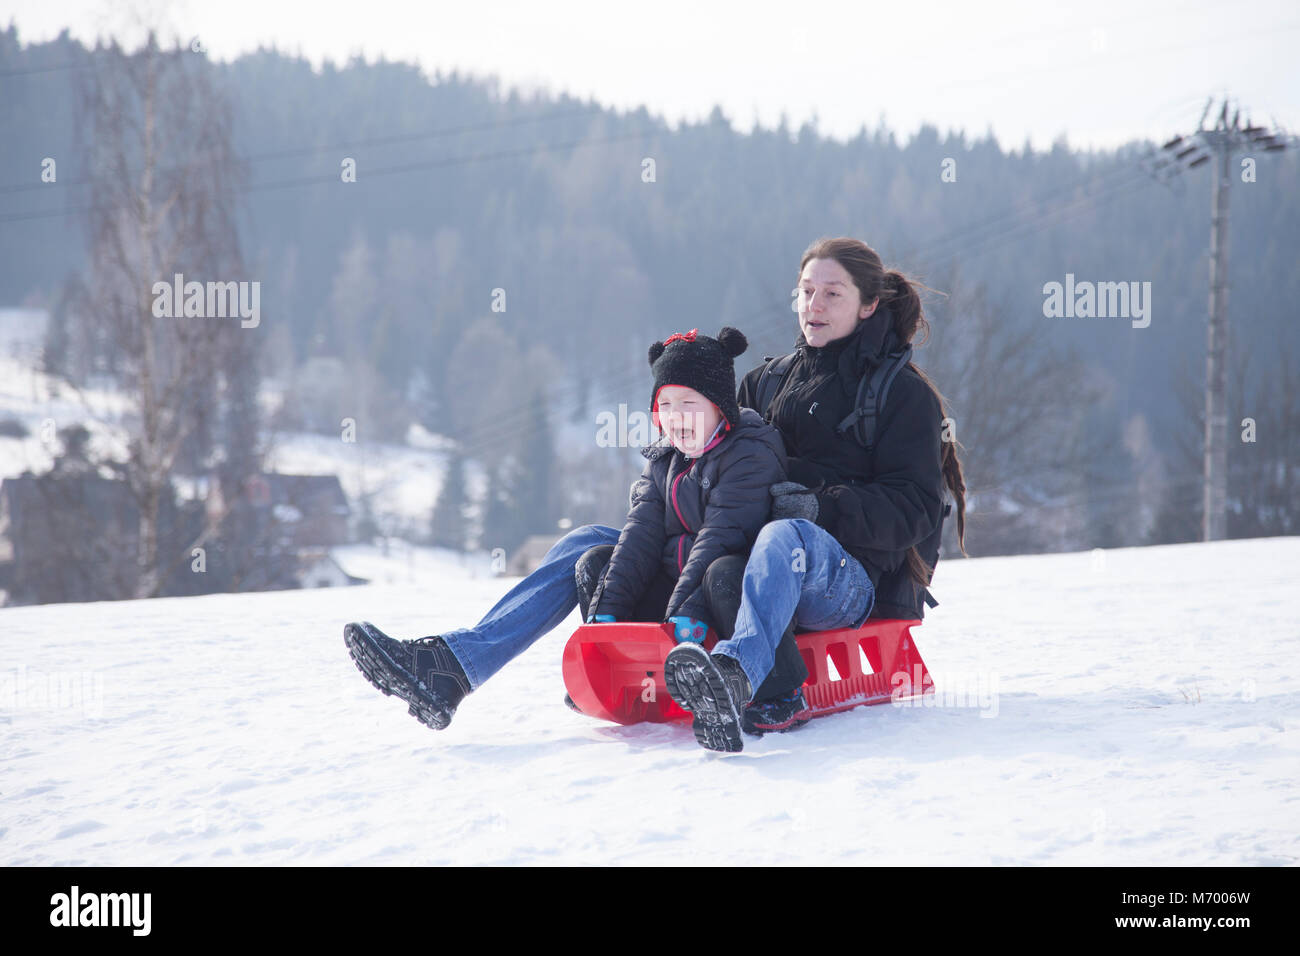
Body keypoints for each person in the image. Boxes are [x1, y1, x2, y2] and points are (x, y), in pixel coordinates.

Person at [343, 326, 793, 738]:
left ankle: (454, 667)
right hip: (676, 583)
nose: (677, 418)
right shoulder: (665, 459)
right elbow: (640, 534)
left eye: (691, 404)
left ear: (721, 406)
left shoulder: (747, 451)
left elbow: (722, 537)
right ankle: (454, 665)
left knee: (676, 557)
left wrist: (676, 620)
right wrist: (604, 620)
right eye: (666, 407)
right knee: (584, 545)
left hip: (716, 596)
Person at [661, 237, 968, 752]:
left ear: (869, 304)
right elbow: (714, 461)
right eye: (806, 292)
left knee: (786, 535)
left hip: (850, 582)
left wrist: (823, 506)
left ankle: (736, 678)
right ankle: (770, 688)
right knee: (715, 569)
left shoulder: (900, 395)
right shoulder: (766, 383)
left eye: (832, 294)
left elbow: (915, 509)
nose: (814, 306)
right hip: (764, 564)